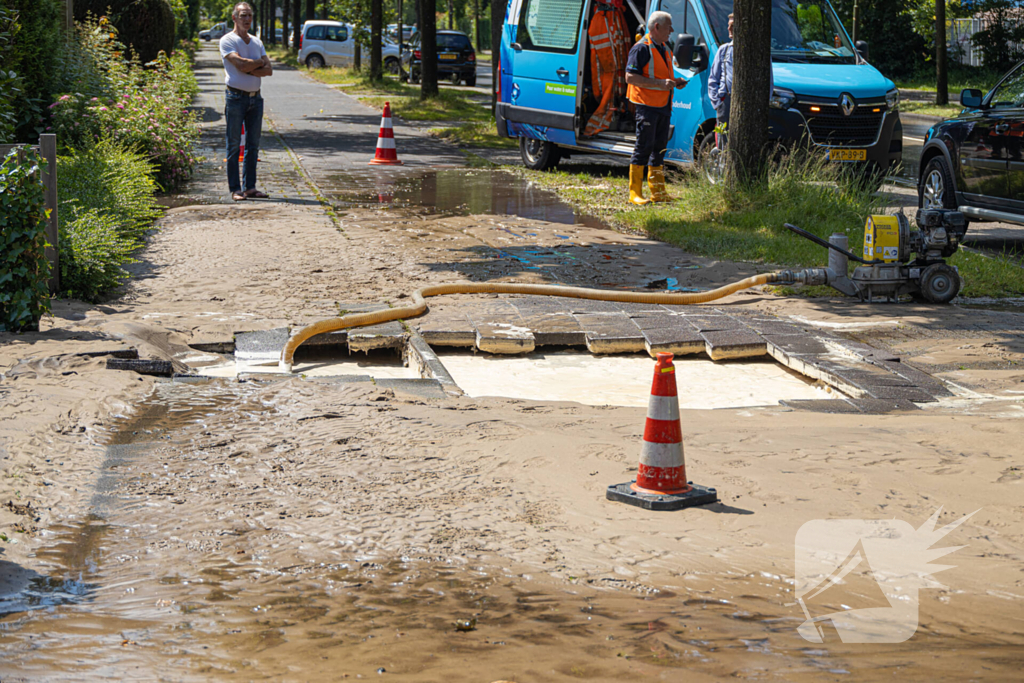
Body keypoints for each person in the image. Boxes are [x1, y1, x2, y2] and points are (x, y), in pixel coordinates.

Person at [625, 11, 687, 205]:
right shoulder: (641, 48)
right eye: (669, 26)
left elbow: (662, 76)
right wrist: (661, 84)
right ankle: (634, 193)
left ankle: (658, 193)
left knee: (659, 149)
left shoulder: (665, 48)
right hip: (646, 106)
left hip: (663, 106)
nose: (672, 30)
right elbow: (630, 78)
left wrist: (675, 82)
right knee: (643, 147)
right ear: (657, 27)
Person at [220, 2, 272, 202]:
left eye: (249, 15)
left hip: (255, 99)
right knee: (233, 145)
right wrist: (258, 63)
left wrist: (251, 65)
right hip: (235, 98)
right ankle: (235, 189)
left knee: (253, 145)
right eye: (243, 15)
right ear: (234, 17)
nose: (247, 19)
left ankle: (250, 187)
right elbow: (239, 64)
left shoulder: (257, 42)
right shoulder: (227, 40)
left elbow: (269, 70)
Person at [708, 13, 774, 149]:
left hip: (750, 103)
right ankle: (723, 166)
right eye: (728, 25)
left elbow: (769, 81)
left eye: (732, 26)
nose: (729, 29)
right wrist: (717, 103)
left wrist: (763, 104)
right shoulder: (723, 50)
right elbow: (713, 79)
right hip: (725, 102)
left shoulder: (759, 51)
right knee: (724, 144)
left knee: (747, 143)